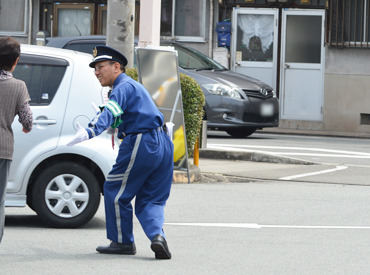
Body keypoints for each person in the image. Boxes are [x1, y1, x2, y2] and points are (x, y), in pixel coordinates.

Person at [67, 45, 174, 259]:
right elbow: (122, 115)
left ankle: (122, 242)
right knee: (151, 199)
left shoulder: (121, 87)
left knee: (115, 190)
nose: (96, 72)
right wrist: (107, 118)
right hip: (163, 142)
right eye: (94, 68)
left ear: (117, 67)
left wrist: (90, 130)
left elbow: (112, 110)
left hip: (142, 142)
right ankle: (157, 237)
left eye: (100, 66)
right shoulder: (132, 86)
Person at [0, 36, 33, 243]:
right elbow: (27, 119)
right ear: (16, 60)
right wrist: (25, 126)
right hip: (2, 150)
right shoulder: (18, 86)